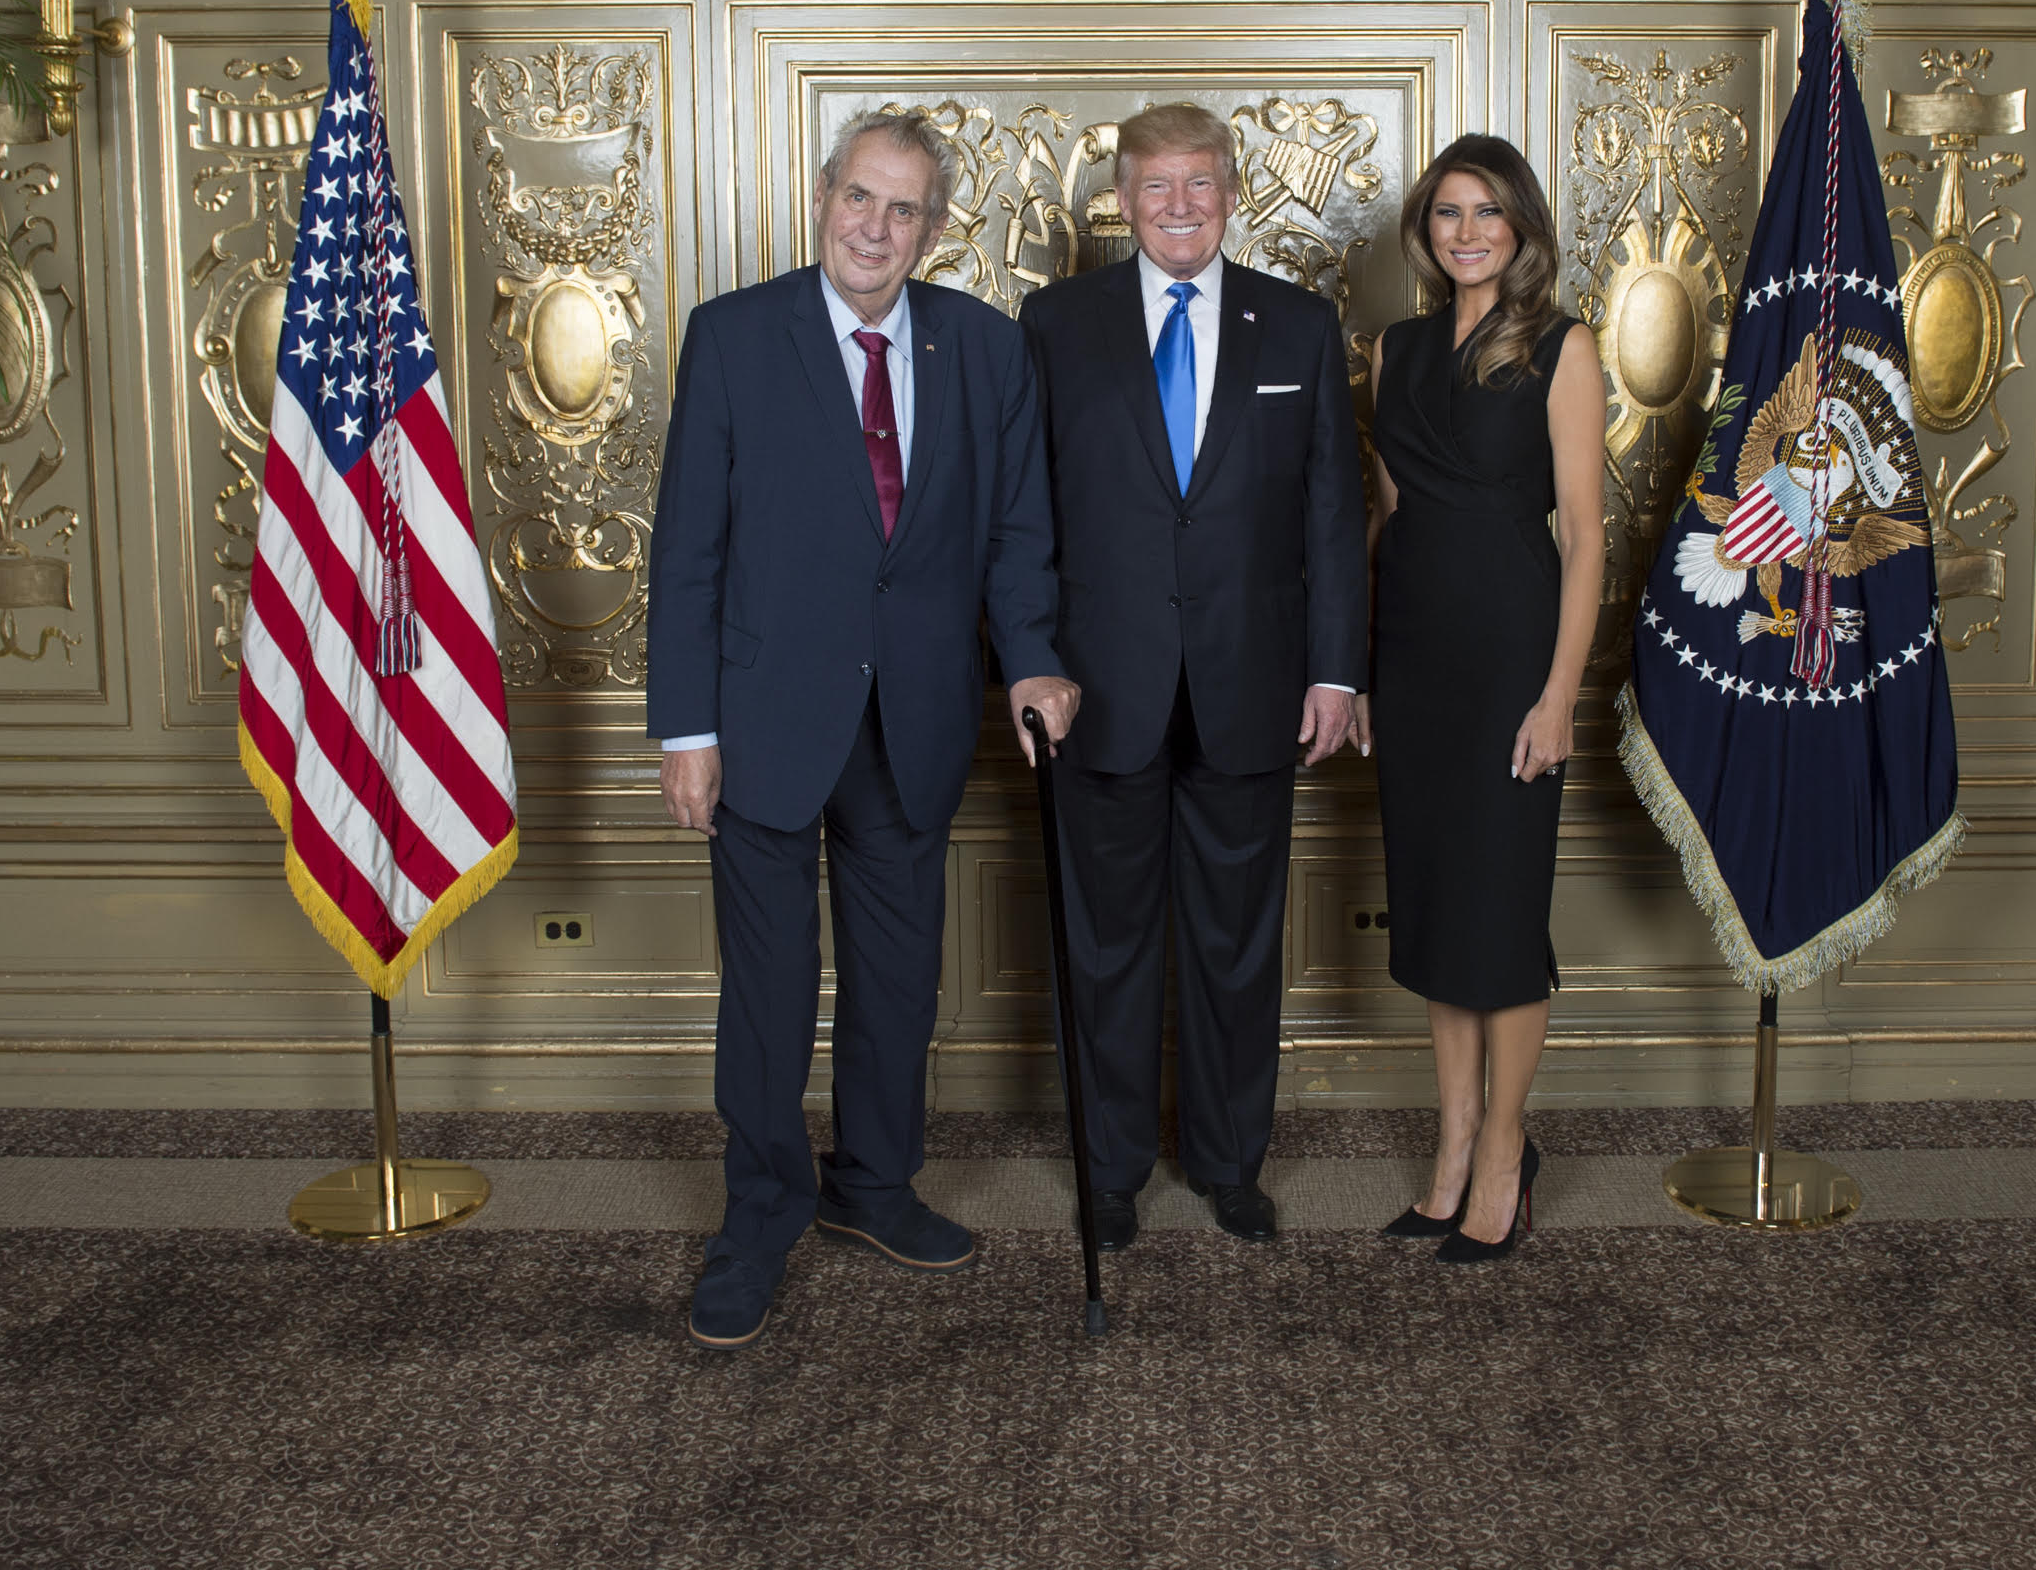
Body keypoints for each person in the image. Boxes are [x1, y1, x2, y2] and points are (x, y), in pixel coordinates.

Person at [647, 109, 1078, 1350]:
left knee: (897, 981)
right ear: (823, 196)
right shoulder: (734, 337)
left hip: (917, 718)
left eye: (903, 210)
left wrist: (1035, 662)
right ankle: (758, 1217)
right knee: (770, 994)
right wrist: (685, 730)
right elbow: (689, 550)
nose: (875, 228)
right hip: (763, 722)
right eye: (859, 198)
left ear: (933, 229)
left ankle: (875, 1185)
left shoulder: (984, 348)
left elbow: (1017, 534)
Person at [1018, 101, 1368, 1250]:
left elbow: (1331, 512)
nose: (1180, 206)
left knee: (1235, 945)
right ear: (1122, 201)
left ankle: (1228, 1162)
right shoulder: (1055, 323)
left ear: (1231, 193)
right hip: (1097, 690)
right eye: (1157, 186)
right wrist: (1031, 661)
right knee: (1105, 947)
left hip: (1252, 685)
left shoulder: (1299, 325)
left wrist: (1336, 672)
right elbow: (1025, 513)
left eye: (1200, 183)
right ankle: (1110, 1170)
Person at [1357, 135, 1604, 1263]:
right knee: (1437, 908)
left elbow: (1586, 536)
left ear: (1522, 228)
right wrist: (1365, 671)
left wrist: (1559, 697)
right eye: (1449, 212)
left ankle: (1505, 1149)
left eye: (1487, 212)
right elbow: (1385, 518)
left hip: (1512, 652)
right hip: (1415, 657)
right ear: (1427, 228)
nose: (1467, 232)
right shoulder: (1395, 349)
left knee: (1499, 916)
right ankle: (1451, 1143)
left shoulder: (1561, 346)